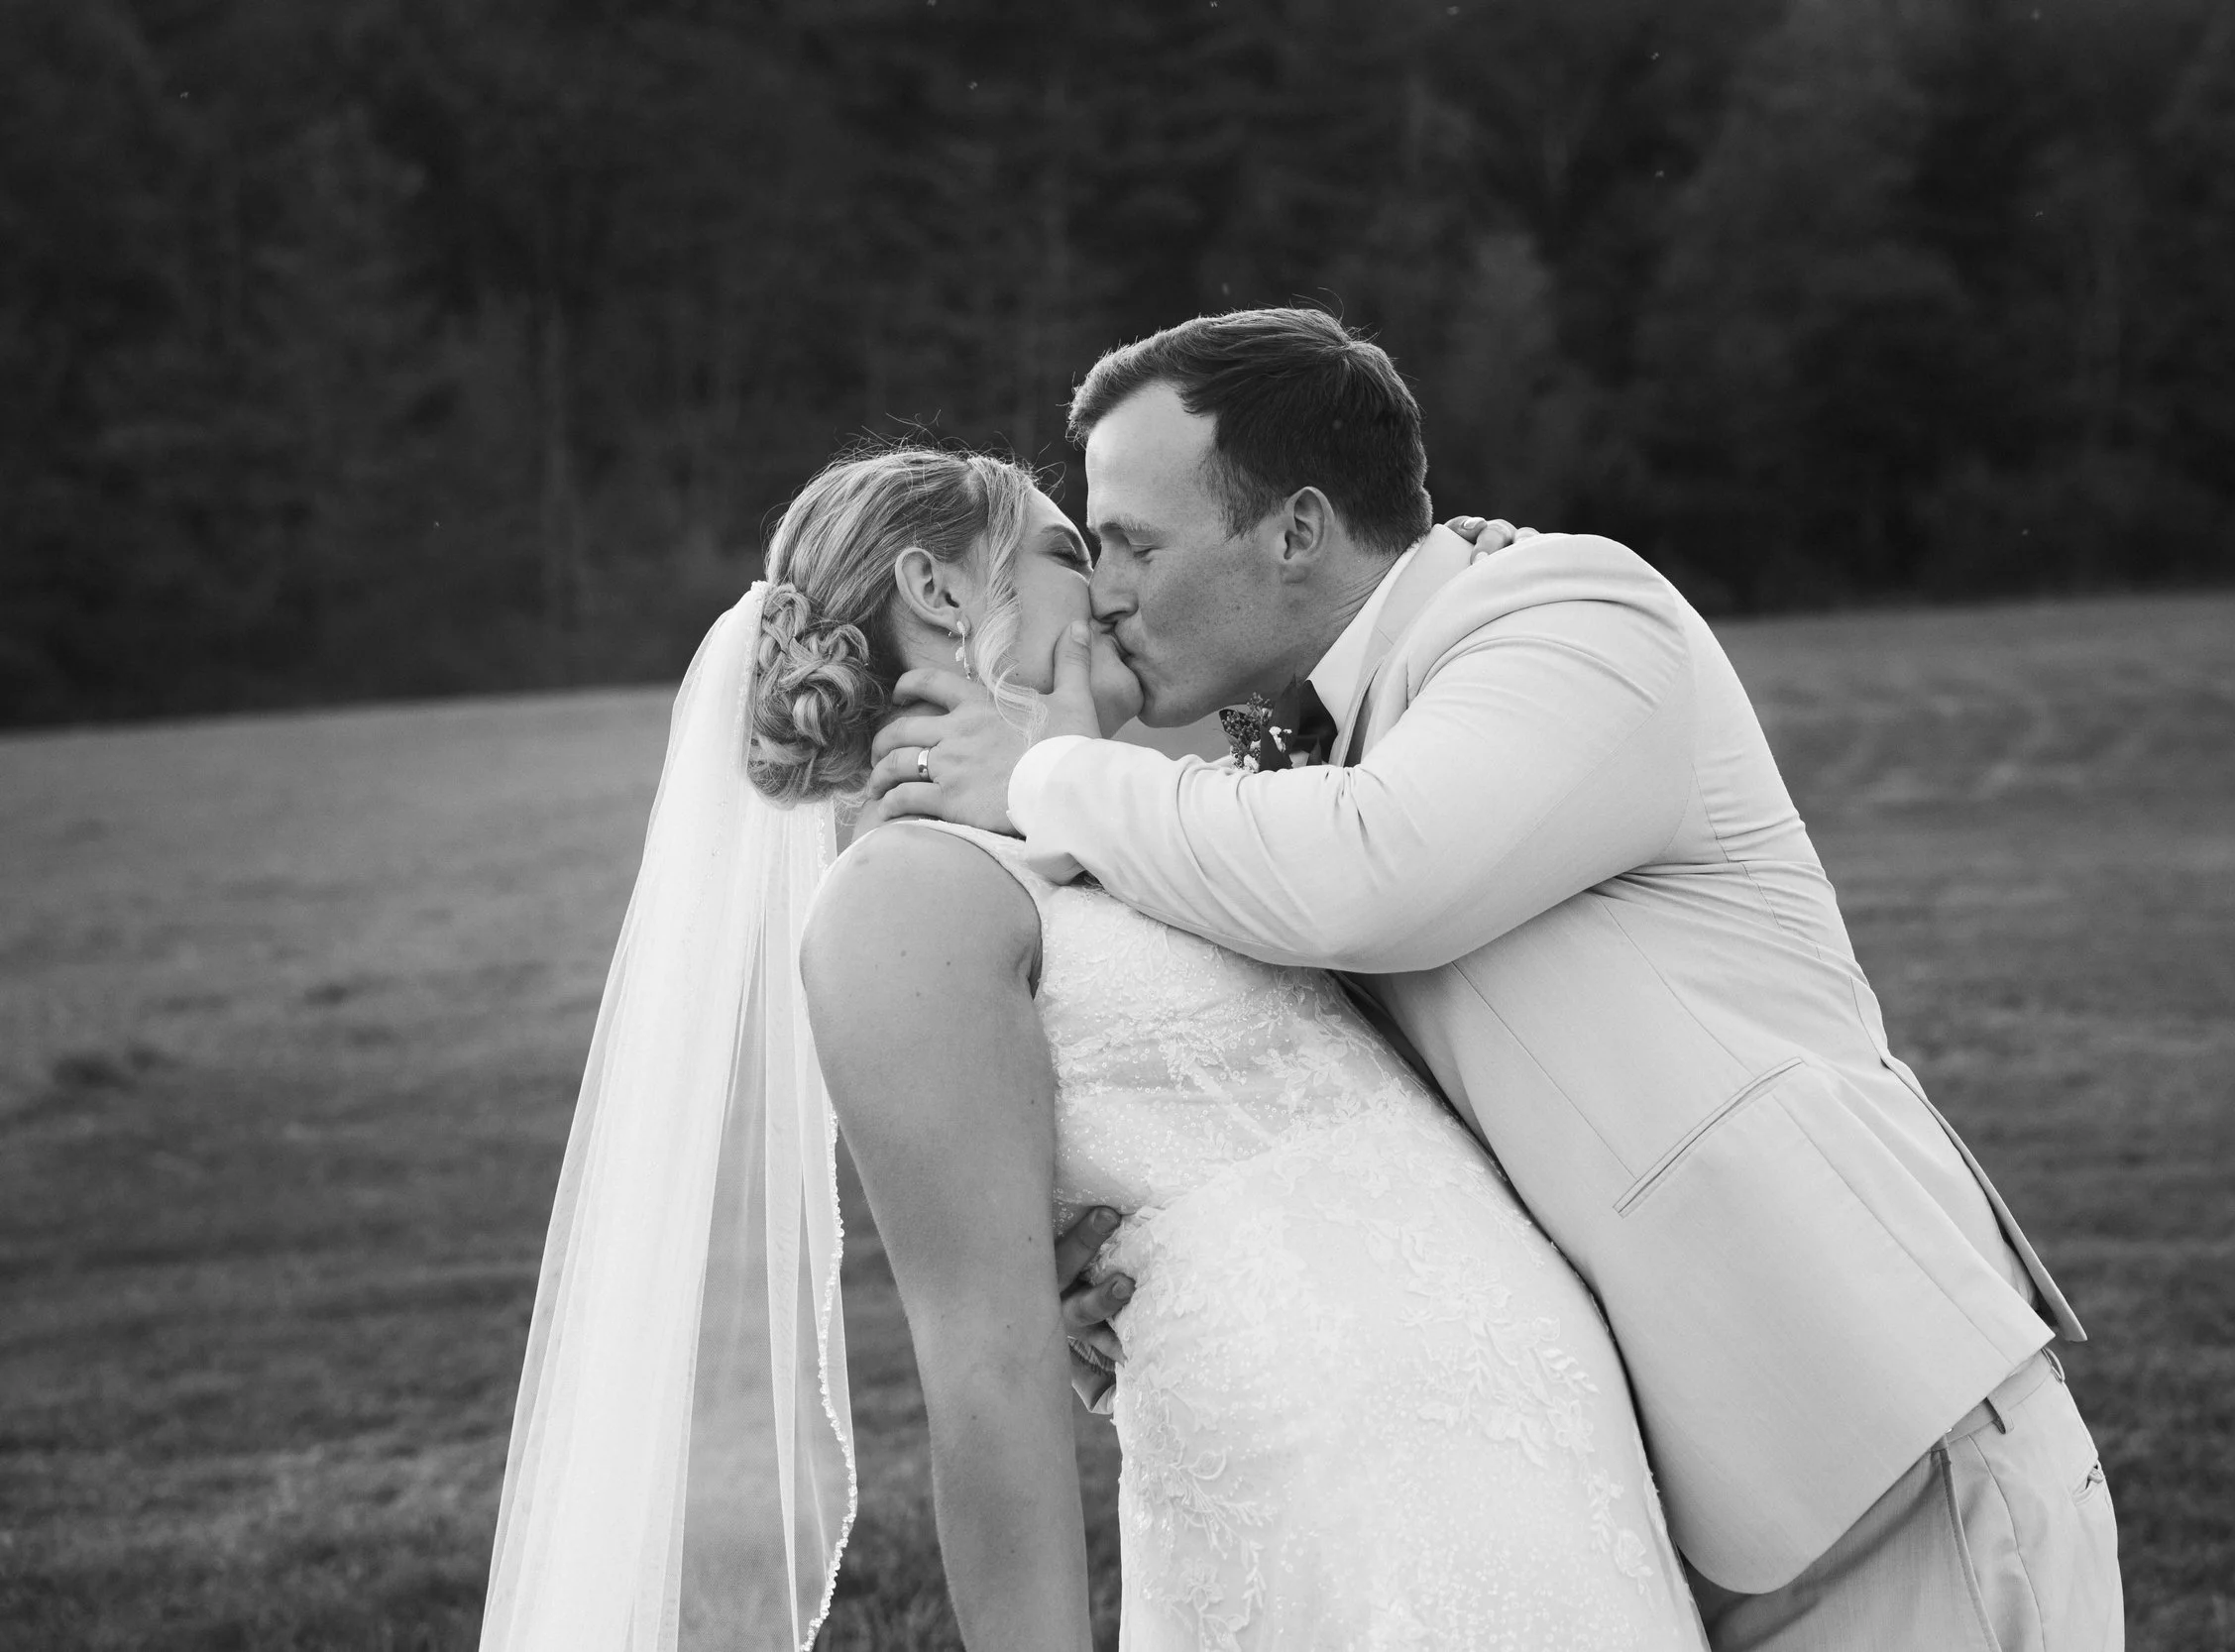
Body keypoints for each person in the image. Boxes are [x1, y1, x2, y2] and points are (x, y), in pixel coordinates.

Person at [868, 308, 2127, 1652]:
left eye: (1134, 540)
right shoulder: (1283, 781)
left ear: (1296, 530)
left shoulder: (1566, 612)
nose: (1108, 588)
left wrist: (1047, 774)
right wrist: (1126, 1237)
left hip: (1870, 1433)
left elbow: (1376, 871)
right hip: (1636, 1509)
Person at [479, 442, 1709, 1651]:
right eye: (1074, 551)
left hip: (1516, 1433)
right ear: (939, 590)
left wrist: (1441, 576)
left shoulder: (1113, 824)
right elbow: (985, 1367)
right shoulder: (903, 896)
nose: (1120, 588)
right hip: (1326, 1459)